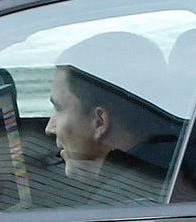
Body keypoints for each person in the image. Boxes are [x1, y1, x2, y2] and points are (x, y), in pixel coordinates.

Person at [36, 31, 183, 207]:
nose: (49, 128)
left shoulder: (123, 205)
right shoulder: (176, 162)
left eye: (59, 109)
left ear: (100, 122)